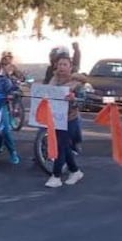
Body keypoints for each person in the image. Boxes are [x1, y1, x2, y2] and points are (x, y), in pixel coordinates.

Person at [45, 55, 86, 188]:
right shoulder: (53, 80)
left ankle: (56, 176)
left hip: (70, 119)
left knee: (61, 146)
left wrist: (74, 99)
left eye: (65, 64)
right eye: (60, 64)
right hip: (55, 119)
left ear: (70, 67)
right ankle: (75, 171)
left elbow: (83, 102)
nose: (61, 67)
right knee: (64, 146)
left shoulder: (77, 84)